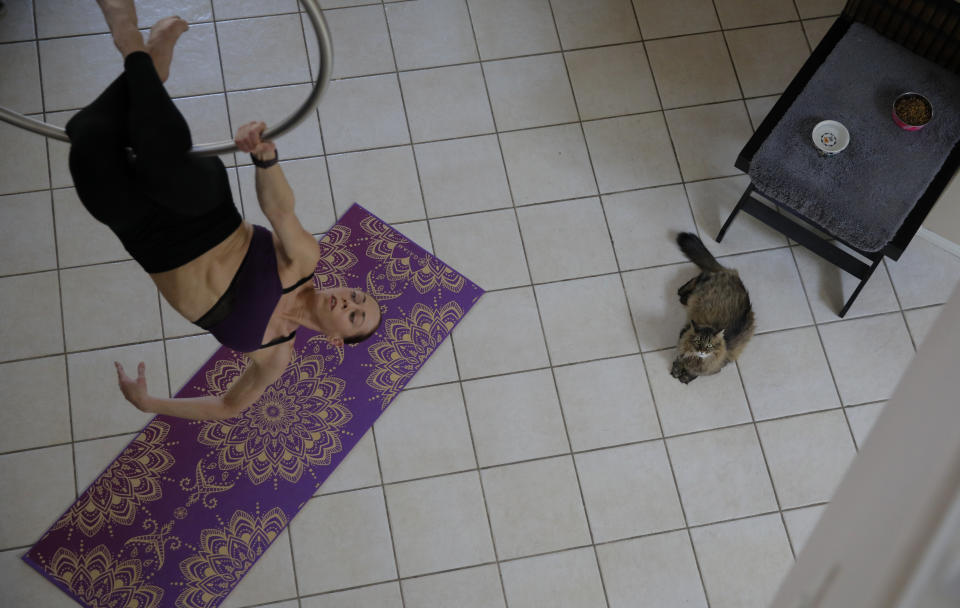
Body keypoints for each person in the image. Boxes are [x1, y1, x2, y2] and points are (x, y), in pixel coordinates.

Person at [70, 1, 381, 421]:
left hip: (145, 237)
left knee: (89, 134)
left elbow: (228, 406)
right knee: (158, 157)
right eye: (354, 296)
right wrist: (266, 160)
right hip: (203, 210)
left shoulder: (275, 358)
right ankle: (127, 35)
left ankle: (152, 61)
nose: (347, 303)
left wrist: (150, 404)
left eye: (354, 315)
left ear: (339, 340)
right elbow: (279, 211)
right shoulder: (306, 261)